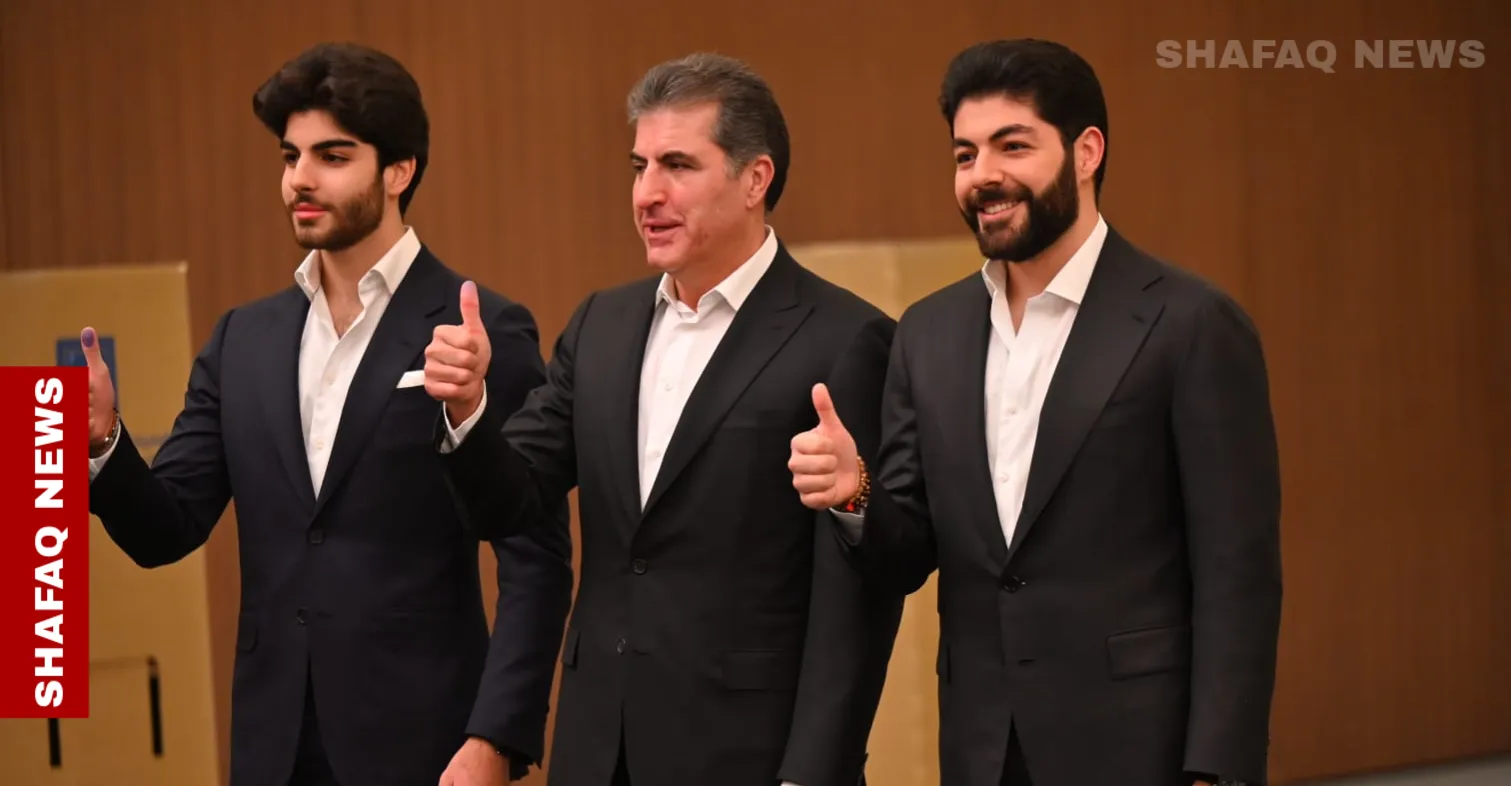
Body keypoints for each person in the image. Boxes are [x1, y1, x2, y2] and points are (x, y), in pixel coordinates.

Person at [788, 39, 1283, 786]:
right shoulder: (927, 331)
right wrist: (853, 489)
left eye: (1011, 145)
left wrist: (1216, 767)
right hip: (982, 747)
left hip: (1140, 746)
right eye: (963, 153)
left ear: (1086, 152)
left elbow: (1237, 576)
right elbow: (908, 549)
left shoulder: (1190, 324)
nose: (982, 175)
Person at [81, 42, 572, 786]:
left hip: (430, 750)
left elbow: (533, 557)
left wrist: (495, 740)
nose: (300, 180)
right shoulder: (241, 340)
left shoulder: (481, 328)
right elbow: (166, 528)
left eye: (332, 156)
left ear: (399, 170)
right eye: (290, 156)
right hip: (273, 749)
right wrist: (103, 443)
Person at [425, 53, 903, 786]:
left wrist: (814, 770)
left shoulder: (843, 337)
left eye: (677, 165)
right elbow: (512, 500)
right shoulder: (602, 324)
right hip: (597, 746)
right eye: (639, 165)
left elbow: (855, 604)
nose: (647, 192)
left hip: (750, 754)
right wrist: (468, 409)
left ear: (755, 179)